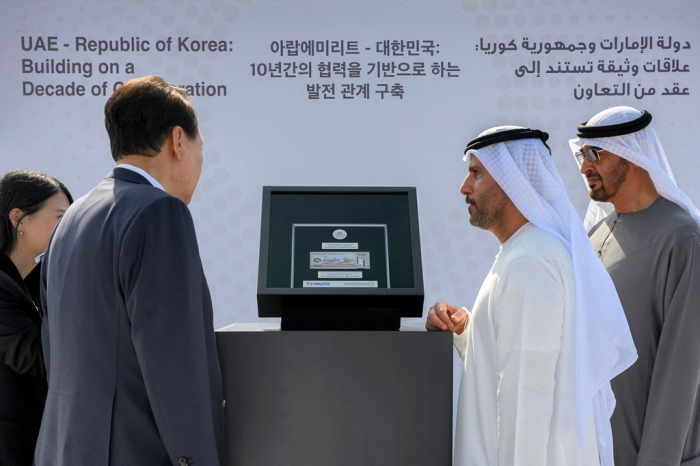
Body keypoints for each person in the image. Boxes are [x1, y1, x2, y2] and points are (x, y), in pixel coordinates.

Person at [35, 76, 225, 466]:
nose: (200, 160)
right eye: (199, 147)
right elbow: (174, 364)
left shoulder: (73, 215)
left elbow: (55, 352)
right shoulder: (159, 212)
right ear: (177, 141)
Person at [426, 127, 637, 466]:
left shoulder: (530, 261)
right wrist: (469, 332)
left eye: (476, 173)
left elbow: (527, 398)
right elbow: (520, 363)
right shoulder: (526, 252)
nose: (464, 188)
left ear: (512, 181)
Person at [571, 106, 700, 465]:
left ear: (631, 154)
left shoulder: (682, 239)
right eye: (582, 155)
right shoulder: (596, 234)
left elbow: (682, 368)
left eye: (595, 154)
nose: (584, 167)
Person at [0, 170, 72, 466]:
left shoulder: (36, 280)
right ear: (19, 219)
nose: (69, 227)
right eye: (60, 217)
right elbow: (39, 358)